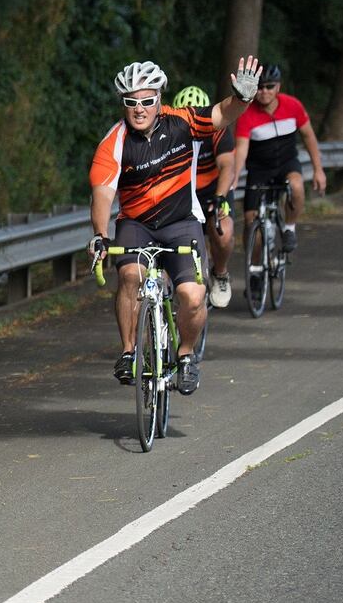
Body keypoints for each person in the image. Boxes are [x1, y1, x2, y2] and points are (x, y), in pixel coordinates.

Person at [88, 57, 261, 396]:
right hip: (136, 223)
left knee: (193, 296)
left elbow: (221, 114)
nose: (139, 109)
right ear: (123, 104)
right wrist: (100, 235)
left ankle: (185, 355)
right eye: (131, 102)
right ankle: (129, 351)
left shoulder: (181, 122)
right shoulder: (114, 142)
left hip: (181, 222)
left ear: (159, 100)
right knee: (130, 276)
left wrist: (242, 98)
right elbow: (102, 195)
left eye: (147, 101)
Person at [232, 64, 326, 258]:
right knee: (250, 221)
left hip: (287, 163)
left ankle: (289, 228)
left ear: (278, 87)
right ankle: (254, 266)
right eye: (260, 87)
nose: (264, 91)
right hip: (259, 170)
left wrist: (318, 169)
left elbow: (308, 136)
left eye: (269, 86)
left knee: (297, 186)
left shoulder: (293, 105)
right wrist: (233, 178)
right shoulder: (247, 113)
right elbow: (241, 149)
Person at [171, 86, 235, 308]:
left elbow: (227, 165)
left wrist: (220, 197)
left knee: (223, 232)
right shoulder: (170, 132)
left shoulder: (217, 130)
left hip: (214, 190)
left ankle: (220, 273)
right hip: (183, 191)